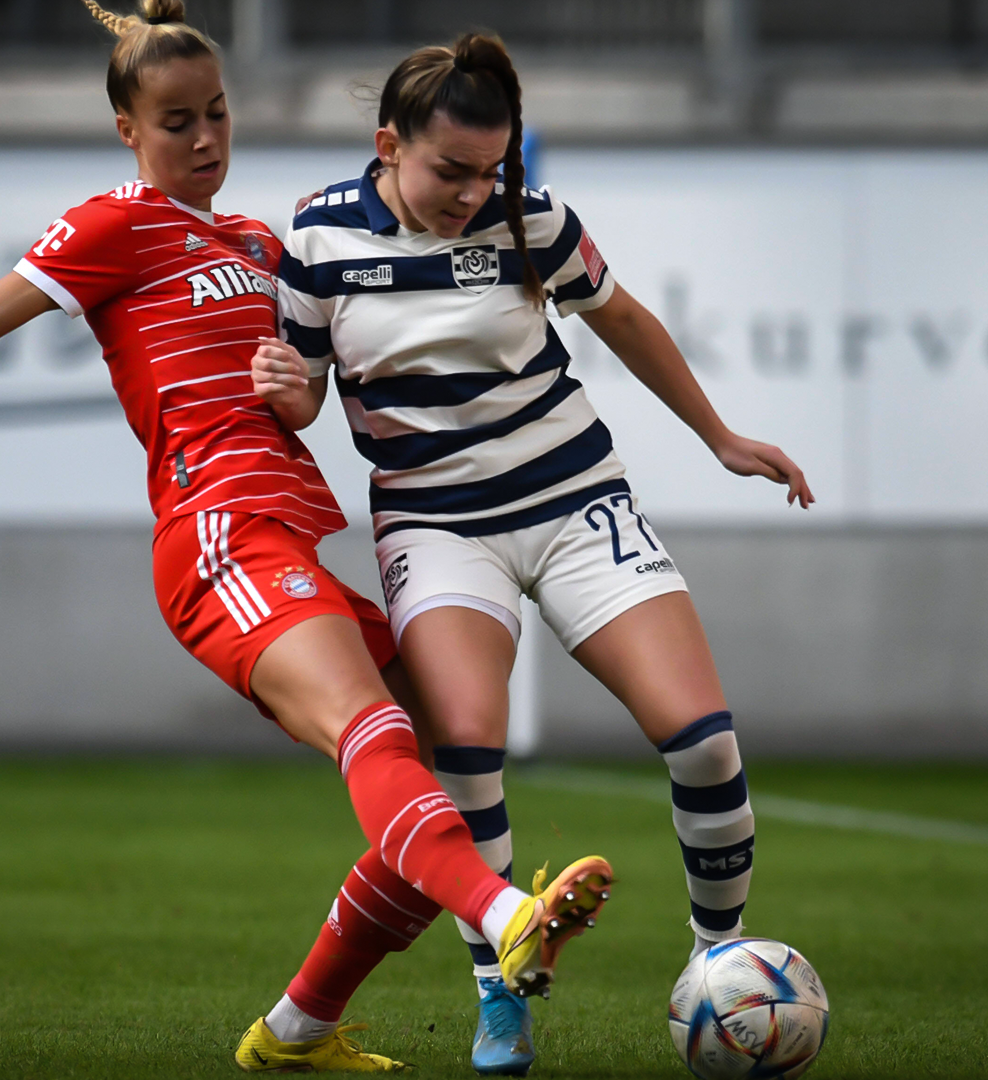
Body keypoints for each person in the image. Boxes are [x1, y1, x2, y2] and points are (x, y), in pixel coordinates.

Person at [0, 4, 611, 1072]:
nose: (206, 138)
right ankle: (503, 919)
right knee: (377, 733)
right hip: (217, 534)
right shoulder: (113, 226)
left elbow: (320, 389)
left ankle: (296, 1032)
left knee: (445, 773)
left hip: (291, 533)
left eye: (218, 112)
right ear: (128, 130)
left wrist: (304, 392)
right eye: (176, 120)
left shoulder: (265, 244)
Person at [260, 32, 816, 1078]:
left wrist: (722, 438)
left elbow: (626, 318)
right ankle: (500, 996)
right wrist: (290, 397)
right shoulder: (316, 236)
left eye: (494, 169)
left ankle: (717, 965)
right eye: (451, 170)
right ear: (388, 143)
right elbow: (303, 385)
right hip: (434, 524)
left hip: (573, 500)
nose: (477, 191)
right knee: (466, 747)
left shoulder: (536, 219)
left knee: (699, 736)